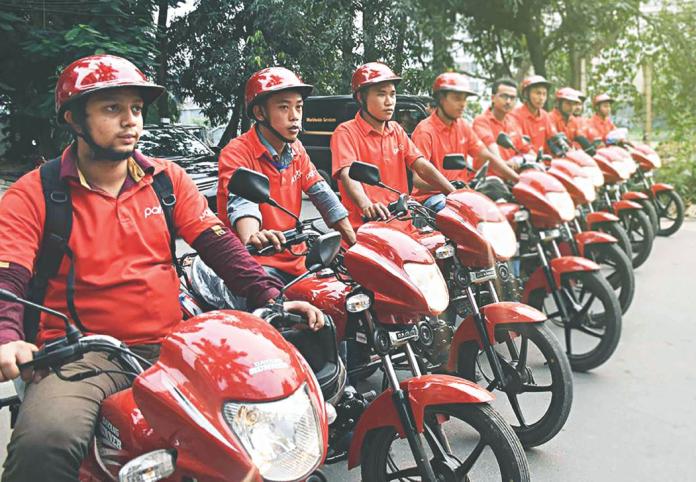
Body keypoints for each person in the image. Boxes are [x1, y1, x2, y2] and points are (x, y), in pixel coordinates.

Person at [0, 55, 324, 480]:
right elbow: (11, 275)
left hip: (173, 346)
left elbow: (220, 246)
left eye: (135, 109)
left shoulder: (167, 180)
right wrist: (7, 338)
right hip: (84, 356)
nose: (130, 121)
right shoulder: (35, 193)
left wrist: (273, 297)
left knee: (247, 435)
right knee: (46, 440)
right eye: (112, 109)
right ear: (75, 119)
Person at [202, 67, 356, 306]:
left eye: (299, 107)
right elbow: (242, 203)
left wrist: (356, 245)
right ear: (260, 113)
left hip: (298, 259)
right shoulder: (238, 152)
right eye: (284, 107)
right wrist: (253, 236)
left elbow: (322, 194)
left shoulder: (297, 150)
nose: (295, 116)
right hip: (257, 264)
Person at [331, 62, 454, 226]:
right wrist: (366, 204)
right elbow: (347, 174)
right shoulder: (345, 132)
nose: (389, 101)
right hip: (367, 227)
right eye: (382, 94)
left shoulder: (396, 130)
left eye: (393, 94)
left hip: (402, 223)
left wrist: (453, 194)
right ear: (361, 97)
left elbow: (421, 165)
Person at [410, 72, 519, 210]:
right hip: (432, 198)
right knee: (468, 213)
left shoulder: (462, 125)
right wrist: (451, 185)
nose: (462, 104)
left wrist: (518, 180)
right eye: (457, 99)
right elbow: (418, 180)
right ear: (441, 99)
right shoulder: (425, 131)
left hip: (462, 194)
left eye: (464, 99)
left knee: (501, 207)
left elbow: (487, 157)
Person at [471, 78, 531, 163]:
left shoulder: (513, 122)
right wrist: (506, 165)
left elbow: (526, 150)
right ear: (493, 98)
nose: (508, 101)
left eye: (512, 98)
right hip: (489, 175)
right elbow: (493, 154)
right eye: (504, 96)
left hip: (511, 174)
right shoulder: (481, 122)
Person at [509, 75, 558, 154]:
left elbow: (554, 137)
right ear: (526, 94)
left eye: (544, 94)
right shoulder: (514, 116)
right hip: (523, 162)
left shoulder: (545, 115)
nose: (541, 98)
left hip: (542, 162)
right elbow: (520, 143)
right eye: (538, 93)